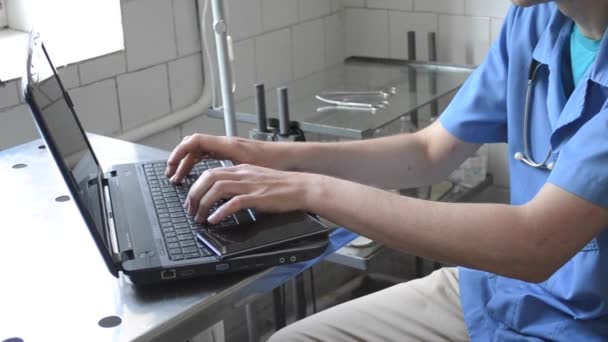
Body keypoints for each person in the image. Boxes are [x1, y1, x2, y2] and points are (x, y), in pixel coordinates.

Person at [165, 0, 608, 340]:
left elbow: (534, 243)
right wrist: (269, 155)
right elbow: (430, 150)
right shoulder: (534, 21)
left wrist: (310, 191)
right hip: (505, 294)